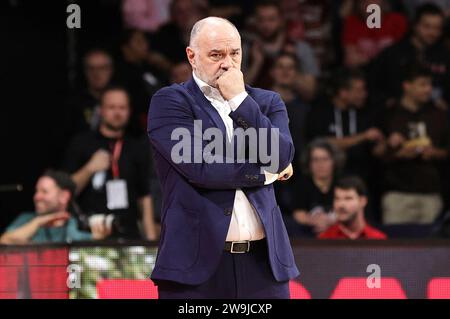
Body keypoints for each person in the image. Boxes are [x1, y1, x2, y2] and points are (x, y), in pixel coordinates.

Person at [147, 17, 299, 299]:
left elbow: (278, 155)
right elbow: (202, 168)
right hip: (196, 269)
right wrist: (266, 173)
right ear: (192, 56)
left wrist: (239, 100)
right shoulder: (170, 101)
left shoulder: (267, 102)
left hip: (263, 267)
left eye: (235, 54)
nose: (228, 64)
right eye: (216, 55)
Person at [63, 86, 158, 240]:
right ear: (100, 110)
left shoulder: (137, 147)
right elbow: (64, 192)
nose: (117, 113)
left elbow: (144, 196)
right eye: (111, 107)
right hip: (89, 234)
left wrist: (151, 239)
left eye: (122, 107)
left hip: (128, 234)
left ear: (129, 111)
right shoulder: (81, 143)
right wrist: (89, 168)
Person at [375, 66, 449, 224]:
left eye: (430, 85)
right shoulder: (388, 114)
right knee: (395, 246)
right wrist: (395, 152)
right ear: (407, 86)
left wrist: (434, 152)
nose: (428, 90)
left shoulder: (439, 115)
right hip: (397, 195)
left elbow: (446, 150)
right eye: (422, 84)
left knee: (432, 247)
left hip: (431, 194)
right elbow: (375, 152)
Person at [306, 68, 385, 180]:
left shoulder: (366, 114)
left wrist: (383, 144)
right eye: (359, 91)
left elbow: (377, 152)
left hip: (361, 178)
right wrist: (363, 137)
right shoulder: (320, 113)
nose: (364, 95)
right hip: (328, 178)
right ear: (343, 92)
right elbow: (323, 143)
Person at [370, 3, 450, 109]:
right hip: (397, 116)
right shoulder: (393, 54)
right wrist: (389, 102)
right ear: (415, 25)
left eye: (437, 28)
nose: (433, 32)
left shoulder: (444, 56)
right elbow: (373, 85)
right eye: (427, 26)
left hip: (435, 117)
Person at [0, 170, 110, 244]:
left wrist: (97, 241)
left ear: (64, 196)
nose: (37, 197)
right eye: (36, 191)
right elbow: (5, 240)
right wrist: (38, 222)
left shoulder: (77, 224)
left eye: (44, 191)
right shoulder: (26, 219)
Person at [242, 0, 319, 100]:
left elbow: (310, 92)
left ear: (281, 20)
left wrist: (290, 67)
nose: (266, 25)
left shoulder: (299, 48)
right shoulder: (247, 49)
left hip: (293, 110)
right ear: (255, 21)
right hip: (258, 110)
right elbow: (236, 94)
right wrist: (256, 64)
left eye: (271, 19)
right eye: (261, 20)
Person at [289, 139, 344, 237]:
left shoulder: (343, 184)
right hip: (308, 235)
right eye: (315, 160)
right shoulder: (301, 185)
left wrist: (330, 222)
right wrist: (315, 221)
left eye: (325, 159)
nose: (320, 164)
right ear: (309, 163)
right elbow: (298, 214)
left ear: (334, 161)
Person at [342, 0, 407, 68]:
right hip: (363, 73)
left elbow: (402, 56)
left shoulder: (397, 21)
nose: (370, 4)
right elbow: (351, 60)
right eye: (364, 1)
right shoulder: (352, 22)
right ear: (359, 4)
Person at [319, 176, 387, 239]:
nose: (341, 205)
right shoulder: (325, 238)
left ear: (362, 201)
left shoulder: (377, 239)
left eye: (348, 198)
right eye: (337, 199)